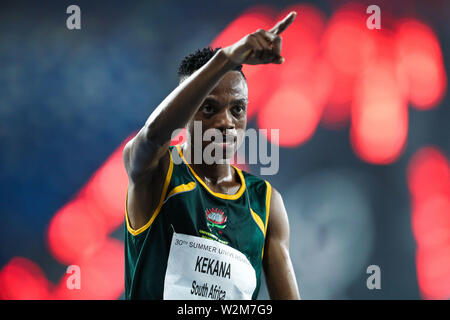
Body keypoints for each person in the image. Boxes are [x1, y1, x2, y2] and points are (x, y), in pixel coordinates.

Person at [123, 11, 300, 300]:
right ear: (186, 110)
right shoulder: (158, 172)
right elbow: (154, 134)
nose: (226, 122)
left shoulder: (265, 204)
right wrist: (226, 59)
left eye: (237, 110)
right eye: (208, 108)